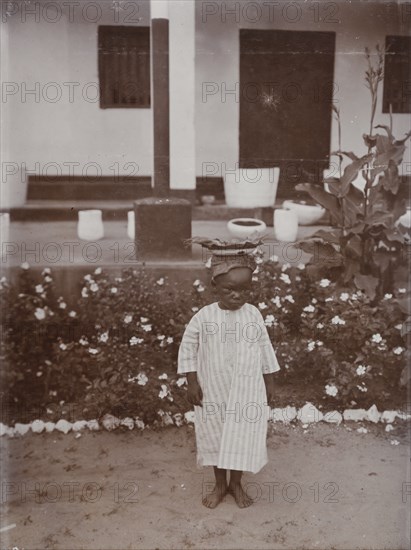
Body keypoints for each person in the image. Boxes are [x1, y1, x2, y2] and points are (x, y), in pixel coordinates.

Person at [178, 238, 281, 509]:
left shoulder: (253, 316)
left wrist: (269, 382)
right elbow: (188, 347)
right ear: (215, 287)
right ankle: (219, 483)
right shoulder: (204, 317)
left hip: (247, 390)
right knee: (215, 433)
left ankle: (236, 482)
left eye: (244, 290)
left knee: (242, 434)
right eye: (230, 289)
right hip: (212, 389)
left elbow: (264, 348)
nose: (237, 295)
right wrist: (191, 381)